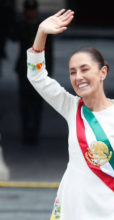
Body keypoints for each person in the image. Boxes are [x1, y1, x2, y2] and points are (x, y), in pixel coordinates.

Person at [27, 9, 114, 219]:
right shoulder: (72, 108)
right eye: (72, 72)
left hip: (108, 212)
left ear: (103, 72)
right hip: (73, 209)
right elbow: (37, 77)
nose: (78, 77)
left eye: (84, 69)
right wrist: (41, 32)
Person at [12, 0, 54, 145]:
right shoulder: (23, 25)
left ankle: (34, 133)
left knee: (37, 103)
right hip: (24, 68)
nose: (31, 12)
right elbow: (13, 37)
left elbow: (49, 51)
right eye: (28, 10)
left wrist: (49, 71)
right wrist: (21, 21)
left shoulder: (43, 27)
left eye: (33, 9)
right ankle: (25, 132)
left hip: (40, 70)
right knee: (24, 102)